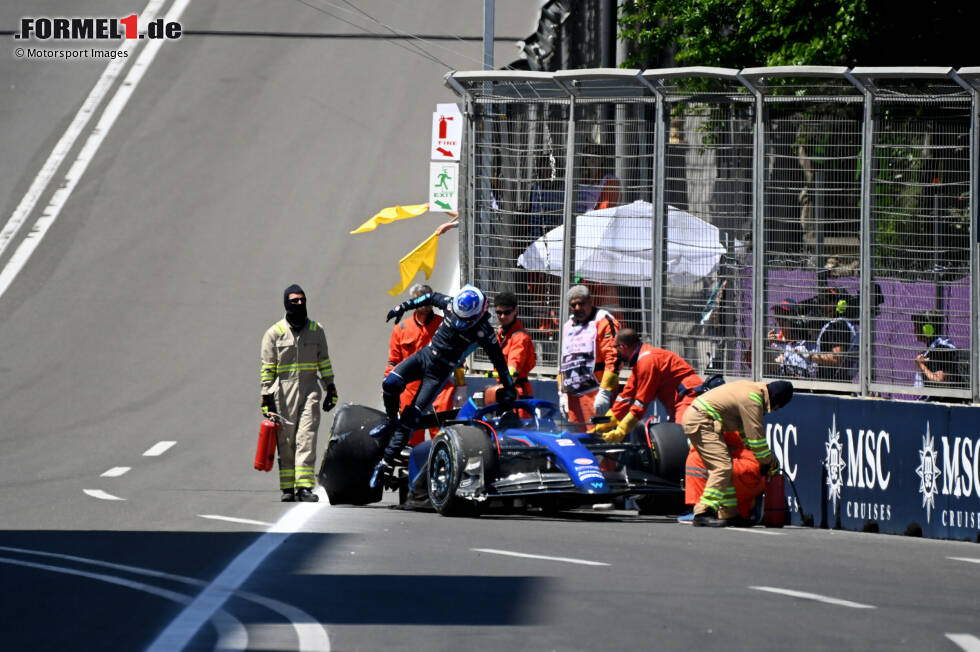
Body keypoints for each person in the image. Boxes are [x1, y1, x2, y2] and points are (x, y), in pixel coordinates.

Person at [370, 284, 517, 488]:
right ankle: (389, 419)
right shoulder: (449, 303)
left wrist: (509, 387)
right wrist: (402, 307)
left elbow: (500, 363)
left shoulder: (484, 332)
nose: (458, 321)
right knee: (390, 383)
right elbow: (427, 298)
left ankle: (384, 464)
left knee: (411, 418)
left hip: (437, 374)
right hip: (425, 356)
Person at [260, 285, 338, 503]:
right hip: (283, 394)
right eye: (294, 301)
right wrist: (266, 396)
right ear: (286, 303)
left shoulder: (316, 330)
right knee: (286, 441)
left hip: (310, 391)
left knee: (306, 438)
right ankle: (287, 487)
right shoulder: (274, 334)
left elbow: (324, 361)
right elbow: (267, 368)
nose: (299, 304)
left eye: (302, 300)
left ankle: (304, 486)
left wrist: (330, 387)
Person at [681, 379, 793, 527]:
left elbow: (746, 435)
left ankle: (730, 514)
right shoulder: (753, 400)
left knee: (726, 466)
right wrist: (770, 462)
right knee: (722, 467)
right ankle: (703, 512)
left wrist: (761, 459)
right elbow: (757, 440)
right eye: (778, 406)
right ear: (776, 399)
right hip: (702, 421)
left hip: (702, 419)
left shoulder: (752, 390)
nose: (776, 410)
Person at [593, 329, 705, 443]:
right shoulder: (640, 361)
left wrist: (621, 431)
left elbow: (641, 404)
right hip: (678, 402)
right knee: (674, 442)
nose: (615, 351)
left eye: (615, 347)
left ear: (623, 346)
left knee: (681, 440)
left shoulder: (646, 362)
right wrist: (606, 423)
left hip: (689, 398)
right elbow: (626, 396)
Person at [386, 283, 464, 445]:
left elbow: (459, 359)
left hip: (440, 388)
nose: (423, 302)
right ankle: (409, 468)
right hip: (410, 390)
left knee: (443, 434)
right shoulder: (401, 329)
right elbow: (393, 361)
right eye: (418, 298)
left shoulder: (445, 324)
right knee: (410, 437)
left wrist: (461, 386)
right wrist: (388, 389)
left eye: (426, 298)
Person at [558, 285, 620, 424]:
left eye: (581, 303)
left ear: (590, 302)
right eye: (574, 305)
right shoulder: (568, 326)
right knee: (577, 439)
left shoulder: (603, 321)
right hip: (574, 396)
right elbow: (563, 362)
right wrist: (562, 393)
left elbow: (614, 358)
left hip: (597, 391)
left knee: (600, 438)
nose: (578, 308)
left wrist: (605, 391)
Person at [492, 292, 536, 399]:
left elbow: (513, 366)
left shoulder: (520, 337)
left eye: (507, 312)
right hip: (504, 389)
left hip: (517, 393)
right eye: (499, 312)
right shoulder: (501, 335)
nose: (502, 316)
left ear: (515, 310)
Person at [913, 310, 966, 396]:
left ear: (927, 329)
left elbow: (939, 379)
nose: (914, 331)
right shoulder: (932, 349)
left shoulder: (941, 350)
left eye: (916, 327)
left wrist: (921, 366)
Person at [810, 288, 858, 382]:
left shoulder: (837, 325)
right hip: (841, 382)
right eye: (821, 302)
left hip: (832, 384)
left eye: (826, 302)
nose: (822, 306)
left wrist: (810, 356)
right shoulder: (846, 324)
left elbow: (836, 358)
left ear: (839, 303)